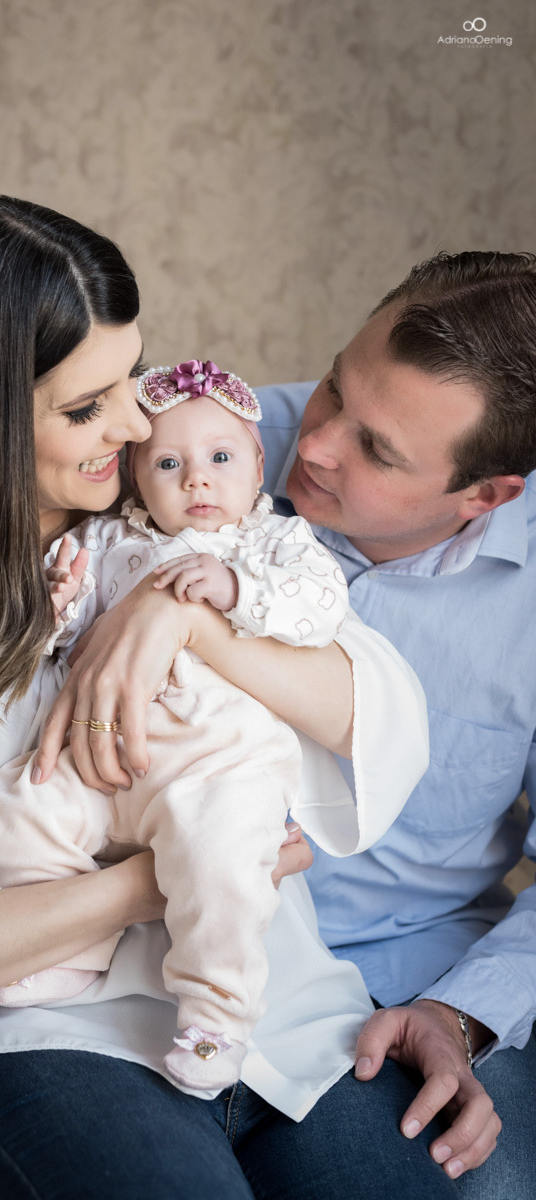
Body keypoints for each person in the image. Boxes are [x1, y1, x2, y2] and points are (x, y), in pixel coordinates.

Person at [0, 193, 439, 1200]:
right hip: (45, 1038)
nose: (138, 424)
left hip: (277, 1017)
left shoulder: (182, 529)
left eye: (132, 379)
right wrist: (153, 883)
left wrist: (179, 621)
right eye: (86, 408)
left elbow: (376, 707)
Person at [0, 358, 386, 1093]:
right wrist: (58, 605)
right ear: (136, 479)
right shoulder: (110, 541)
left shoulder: (274, 543)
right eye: (168, 464)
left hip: (219, 764)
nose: (197, 480)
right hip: (104, 757)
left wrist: (234, 590)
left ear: (258, 465)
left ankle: (214, 1021)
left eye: (220, 459)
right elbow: (63, 641)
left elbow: (319, 607)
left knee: (223, 869)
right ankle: (68, 953)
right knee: (25, 799)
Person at [239, 250, 535, 1196]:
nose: (317, 443)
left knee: (478, 1185)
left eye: (377, 449)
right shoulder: (203, 448)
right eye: (334, 385)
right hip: (178, 953)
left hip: (409, 979)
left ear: (485, 495)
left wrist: (461, 1013)